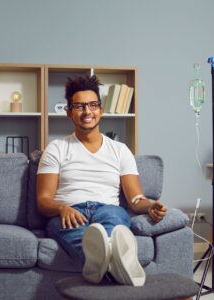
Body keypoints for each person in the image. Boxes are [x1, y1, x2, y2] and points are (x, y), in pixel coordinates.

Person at [36, 75, 167, 286]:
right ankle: (118, 266)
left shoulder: (120, 150)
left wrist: (150, 205)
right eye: (79, 106)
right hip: (70, 214)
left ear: (101, 110)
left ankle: (103, 266)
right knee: (92, 248)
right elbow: (43, 200)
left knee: (104, 242)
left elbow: (135, 199)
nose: (87, 111)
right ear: (69, 112)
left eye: (93, 105)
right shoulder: (56, 149)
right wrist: (62, 209)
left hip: (108, 209)